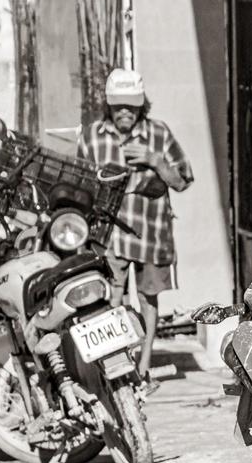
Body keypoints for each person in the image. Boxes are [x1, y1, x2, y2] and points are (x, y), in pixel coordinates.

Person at [77, 69, 193, 390]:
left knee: (147, 299)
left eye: (131, 106)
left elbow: (183, 179)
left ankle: (143, 369)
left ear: (142, 106)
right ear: (109, 106)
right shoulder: (91, 136)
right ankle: (114, 367)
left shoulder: (159, 135)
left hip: (149, 233)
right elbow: (80, 186)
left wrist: (156, 160)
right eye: (119, 106)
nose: (125, 112)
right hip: (108, 234)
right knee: (108, 301)